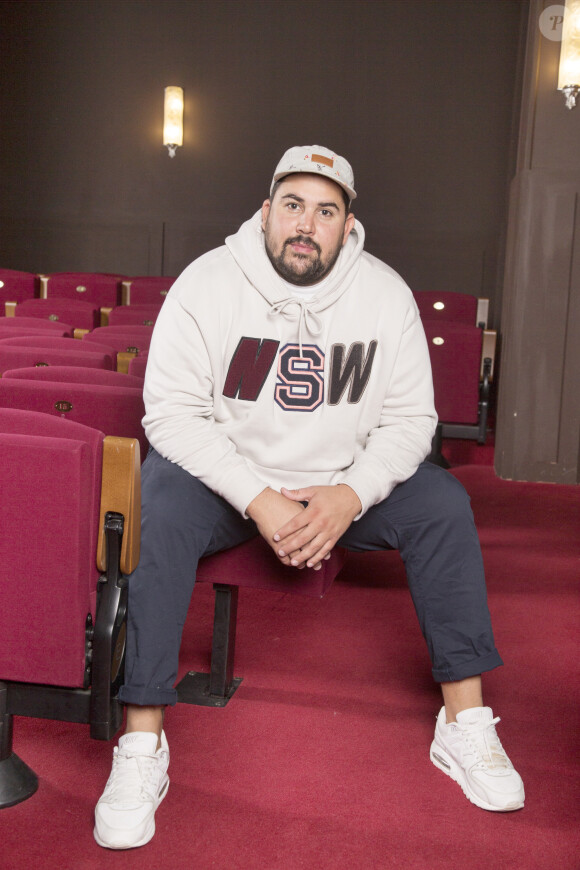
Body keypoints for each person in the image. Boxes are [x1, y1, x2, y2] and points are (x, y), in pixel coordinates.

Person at [94, 145, 524, 850]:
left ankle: (464, 722)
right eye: (292, 205)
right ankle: (142, 740)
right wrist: (259, 499)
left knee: (443, 505)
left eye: (326, 211)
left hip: (341, 485)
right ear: (266, 211)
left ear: (347, 225)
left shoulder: (384, 294)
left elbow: (412, 421)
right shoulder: (206, 283)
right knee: (160, 498)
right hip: (231, 485)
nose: (306, 223)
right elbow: (170, 414)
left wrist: (349, 496)